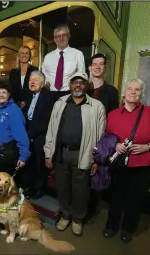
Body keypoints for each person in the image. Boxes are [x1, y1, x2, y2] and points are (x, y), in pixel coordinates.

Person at [44, 72, 106, 235]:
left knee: (81, 191)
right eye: (74, 82)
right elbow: (51, 129)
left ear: (87, 85)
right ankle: (65, 216)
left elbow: (100, 136)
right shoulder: (60, 103)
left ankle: (78, 219)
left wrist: (96, 160)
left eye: (81, 82)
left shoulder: (97, 106)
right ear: (70, 85)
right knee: (63, 188)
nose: (78, 85)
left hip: (83, 155)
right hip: (62, 153)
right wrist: (48, 153)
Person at [103, 78, 150, 243]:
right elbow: (106, 137)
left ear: (141, 94)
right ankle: (111, 226)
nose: (133, 92)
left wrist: (148, 146)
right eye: (130, 89)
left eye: (137, 90)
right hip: (119, 164)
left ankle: (128, 229)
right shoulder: (113, 115)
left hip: (145, 165)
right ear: (124, 92)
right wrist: (116, 144)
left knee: (135, 199)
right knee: (116, 197)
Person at [86, 53, 119, 223]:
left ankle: (90, 210)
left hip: (99, 138)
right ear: (90, 68)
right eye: (95, 64)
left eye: (101, 64)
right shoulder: (84, 87)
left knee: (95, 174)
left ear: (105, 68)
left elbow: (113, 117)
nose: (98, 67)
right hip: (81, 137)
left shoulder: (110, 91)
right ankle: (78, 208)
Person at [0, 80, 31, 186]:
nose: (1, 95)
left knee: (6, 188)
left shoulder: (14, 110)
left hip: (6, 156)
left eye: (4, 92)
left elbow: (21, 135)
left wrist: (23, 156)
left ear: (9, 94)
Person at [22, 71, 54, 199]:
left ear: (42, 83)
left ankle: (39, 189)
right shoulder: (28, 95)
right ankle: (29, 187)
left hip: (40, 136)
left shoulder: (48, 96)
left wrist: (31, 134)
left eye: (35, 80)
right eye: (30, 80)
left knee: (39, 164)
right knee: (29, 164)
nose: (32, 82)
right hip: (27, 135)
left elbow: (47, 121)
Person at [42, 24, 85, 102]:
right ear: (54, 39)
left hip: (70, 94)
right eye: (58, 36)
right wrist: (45, 83)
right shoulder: (48, 57)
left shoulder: (78, 54)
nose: (61, 38)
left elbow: (81, 76)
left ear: (68, 36)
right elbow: (44, 76)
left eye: (64, 35)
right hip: (50, 95)